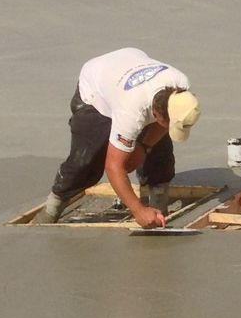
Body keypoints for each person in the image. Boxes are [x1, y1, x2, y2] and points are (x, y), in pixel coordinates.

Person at [42, 48, 200, 227]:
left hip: (125, 64)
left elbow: (162, 125)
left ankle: (159, 203)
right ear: (157, 114)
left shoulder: (180, 86)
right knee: (86, 162)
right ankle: (53, 206)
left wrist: (144, 147)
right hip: (95, 91)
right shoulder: (131, 112)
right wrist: (138, 210)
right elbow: (114, 166)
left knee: (159, 150)